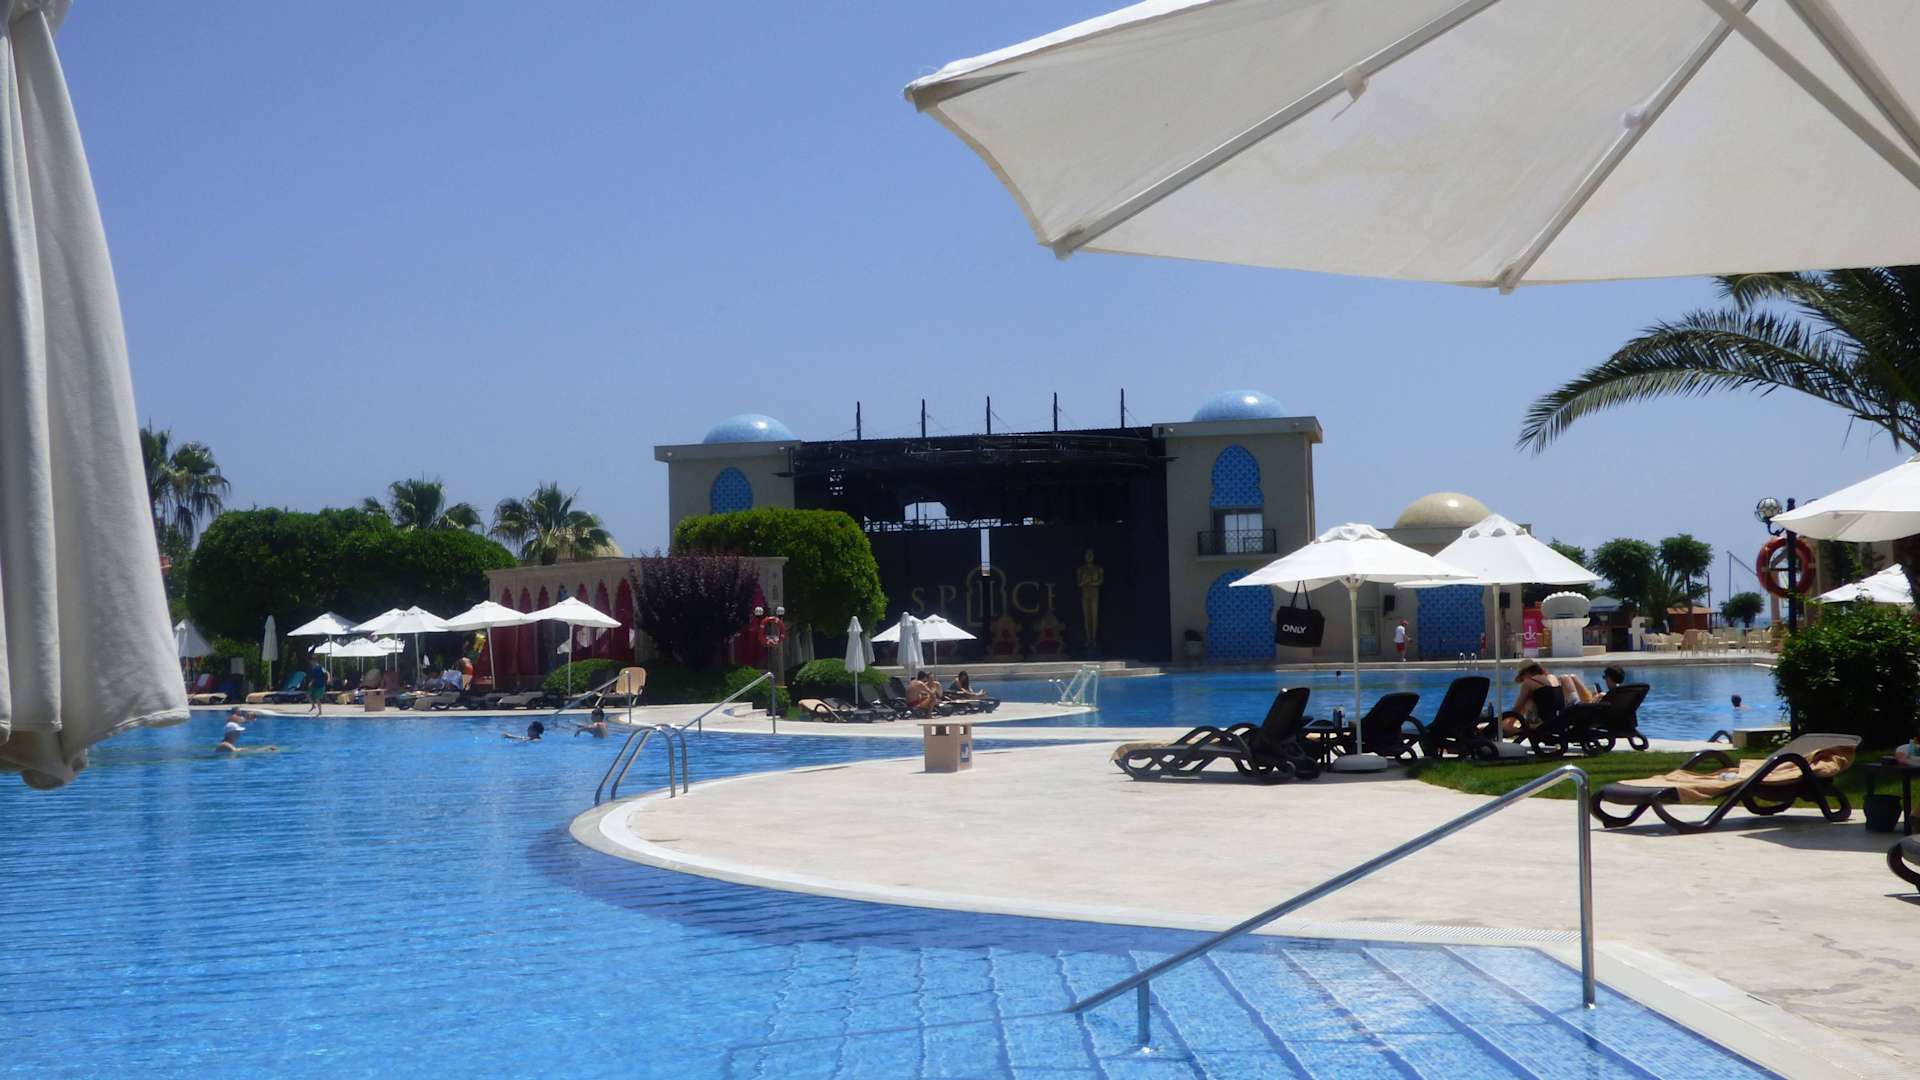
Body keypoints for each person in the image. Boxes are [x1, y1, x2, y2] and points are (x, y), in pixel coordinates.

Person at [1500, 662, 1596, 736]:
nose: (1522, 681)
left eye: (1522, 678)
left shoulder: (1529, 682)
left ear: (1526, 673)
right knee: (1529, 698)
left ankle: (1508, 726)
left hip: (1545, 722)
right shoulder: (1552, 677)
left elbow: (1518, 708)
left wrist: (1507, 724)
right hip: (1559, 718)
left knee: (1523, 703)